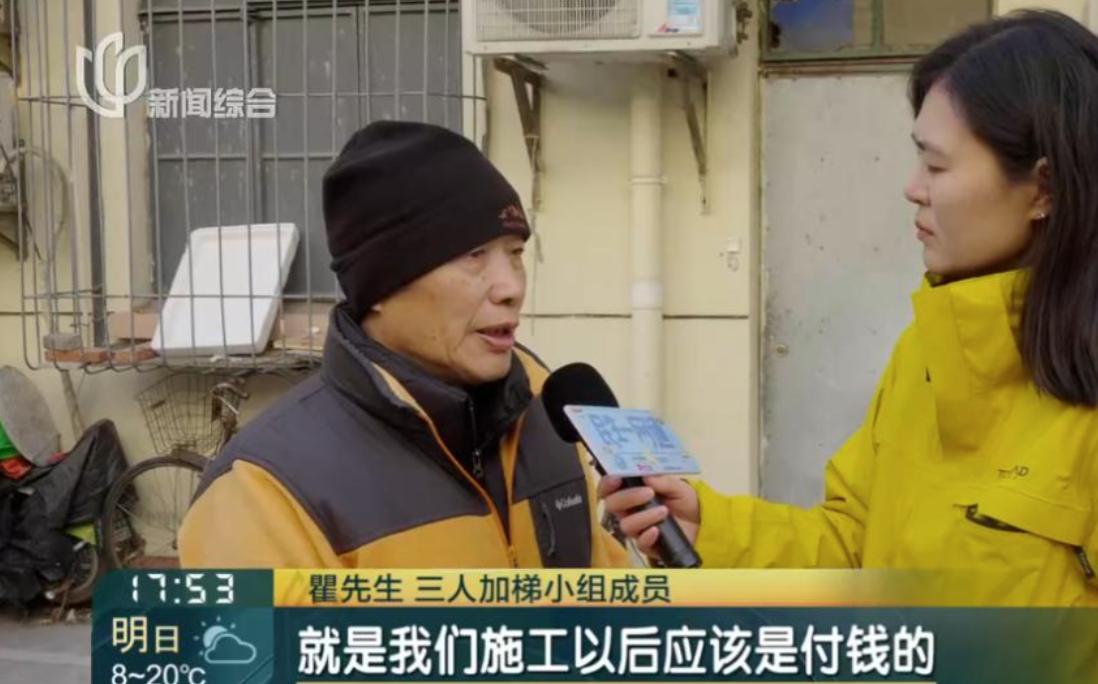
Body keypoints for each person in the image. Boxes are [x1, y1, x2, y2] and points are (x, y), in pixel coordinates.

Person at [601, 10, 1098, 605]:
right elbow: (851, 545)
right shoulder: (928, 352)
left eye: (937, 165)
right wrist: (710, 528)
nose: (912, 187)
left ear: (1043, 188)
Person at [180, 121, 629, 568]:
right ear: (380, 287)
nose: (511, 287)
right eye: (474, 256)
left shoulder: (546, 409)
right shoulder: (261, 493)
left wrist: (665, 559)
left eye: (515, 254)